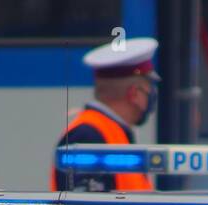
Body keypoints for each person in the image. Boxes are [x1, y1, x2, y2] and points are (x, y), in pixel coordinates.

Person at [53, 36, 160, 191]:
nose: (152, 95)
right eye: (149, 88)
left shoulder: (112, 132)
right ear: (135, 94)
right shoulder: (88, 136)